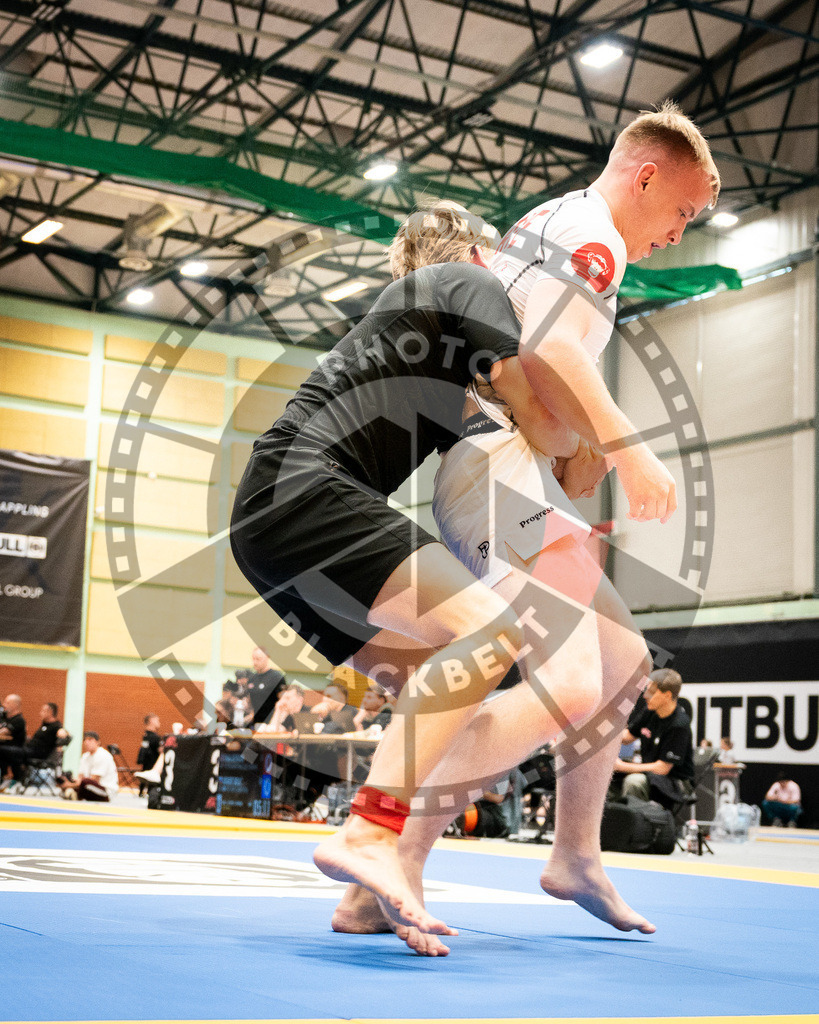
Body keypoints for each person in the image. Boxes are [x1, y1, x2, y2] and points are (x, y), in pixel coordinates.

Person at [332, 102, 719, 953]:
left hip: (512, 469)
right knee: (570, 687)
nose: (678, 232)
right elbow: (549, 350)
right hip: (495, 473)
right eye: (682, 210)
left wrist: (579, 445)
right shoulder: (593, 233)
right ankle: (384, 853)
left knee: (623, 665)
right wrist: (628, 449)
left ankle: (574, 854)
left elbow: (538, 371)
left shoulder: (560, 221)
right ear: (644, 176)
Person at [231, 204, 588, 939]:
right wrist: (595, 437)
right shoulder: (468, 282)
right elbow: (547, 429)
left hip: (267, 529)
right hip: (309, 488)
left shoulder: (427, 345)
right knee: (492, 633)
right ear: (482, 258)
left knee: (449, 695)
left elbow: (522, 442)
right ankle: (368, 830)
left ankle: (372, 894)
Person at [612, 669, 694, 809]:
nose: (645, 696)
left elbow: (662, 768)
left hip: (674, 781)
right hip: (651, 775)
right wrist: (601, 736)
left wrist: (622, 766)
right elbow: (626, 737)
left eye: (651, 692)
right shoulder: (650, 712)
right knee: (609, 778)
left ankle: (634, 821)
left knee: (634, 782)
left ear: (667, 695)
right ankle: (613, 818)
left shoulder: (679, 725)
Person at [59, 732, 119, 802]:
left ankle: (74, 793)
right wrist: (70, 781)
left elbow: (94, 779)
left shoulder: (103, 755)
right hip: (88, 786)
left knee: (86, 782)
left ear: (98, 742)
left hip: (105, 791)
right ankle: (73, 793)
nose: (86, 742)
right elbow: (80, 776)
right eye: (85, 740)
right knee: (64, 777)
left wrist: (70, 785)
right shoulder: (85, 756)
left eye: (90, 740)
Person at [246, 647, 287, 726]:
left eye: (258, 659)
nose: (255, 662)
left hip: (271, 722)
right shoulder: (252, 679)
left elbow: (284, 701)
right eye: (253, 659)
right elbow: (250, 701)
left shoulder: (277, 677)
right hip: (255, 723)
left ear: (267, 658)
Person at [0, 694, 27, 789]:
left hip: (17, 750)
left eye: (7, 703)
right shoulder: (6, 719)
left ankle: (13, 779)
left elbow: (4, 732)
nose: (4, 705)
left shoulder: (19, 719)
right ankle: (4, 777)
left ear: (15, 705)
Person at [136, 714, 162, 796]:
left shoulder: (147, 735)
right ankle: (149, 792)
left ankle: (143, 791)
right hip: (152, 761)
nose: (159, 723)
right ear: (151, 721)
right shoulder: (153, 737)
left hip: (148, 761)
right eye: (157, 721)